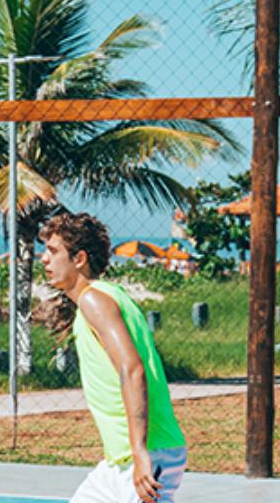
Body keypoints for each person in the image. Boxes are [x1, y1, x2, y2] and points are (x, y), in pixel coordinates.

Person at [40, 213, 187, 503]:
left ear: (79, 258)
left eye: (53, 251)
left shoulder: (94, 300)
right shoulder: (108, 296)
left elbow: (132, 369)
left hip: (145, 453)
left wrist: (140, 453)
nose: (44, 259)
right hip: (119, 461)